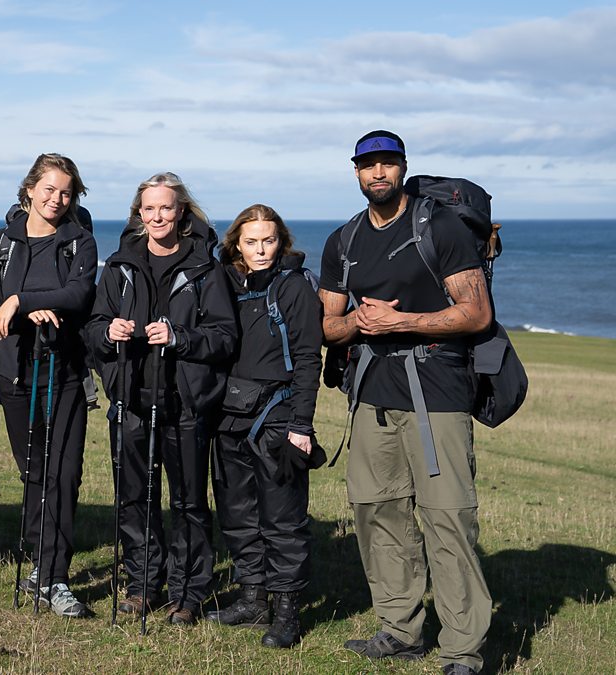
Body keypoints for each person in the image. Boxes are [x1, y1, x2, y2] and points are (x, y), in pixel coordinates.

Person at [319, 131, 493, 675]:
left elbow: (476, 313)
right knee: (378, 512)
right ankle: (400, 630)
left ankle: (462, 650)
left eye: (387, 163)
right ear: (355, 172)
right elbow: (327, 325)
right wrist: (358, 321)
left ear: (402, 168)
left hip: (436, 392)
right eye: (367, 164)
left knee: (447, 518)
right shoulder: (344, 240)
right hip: (371, 394)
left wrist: (402, 322)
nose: (378, 173)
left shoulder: (438, 227)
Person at [86, 172, 236, 625]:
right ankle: (142, 585)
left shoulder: (205, 268)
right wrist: (107, 332)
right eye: (148, 209)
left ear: (181, 211)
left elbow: (225, 337)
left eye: (166, 208)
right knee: (135, 498)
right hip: (131, 400)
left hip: (185, 404)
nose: (157, 217)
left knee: (188, 502)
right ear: (139, 213)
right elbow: (92, 328)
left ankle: (188, 593)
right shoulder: (120, 267)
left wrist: (179, 337)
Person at [0, 153, 97, 618]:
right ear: (29, 189)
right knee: (34, 473)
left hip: (64, 375)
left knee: (63, 474)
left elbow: (79, 295)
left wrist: (21, 301)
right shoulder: (0, 243)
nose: (57, 199)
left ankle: (54, 576)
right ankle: (39, 560)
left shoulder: (79, 242)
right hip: (15, 375)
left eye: (66, 192)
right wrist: (16, 308)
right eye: (49, 189)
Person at [207, 205, 322, 647]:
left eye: (268, 240)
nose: (260, 250)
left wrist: (301, 425)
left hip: (278, 416)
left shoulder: (293, 288)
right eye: (251, 241)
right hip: (228, 415)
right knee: (237, 514)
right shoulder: (223, 284)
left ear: (281, 241)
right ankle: (253, 599)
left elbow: (309, 359)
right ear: (236, 243)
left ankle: (287, 611)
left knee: (283, 519)